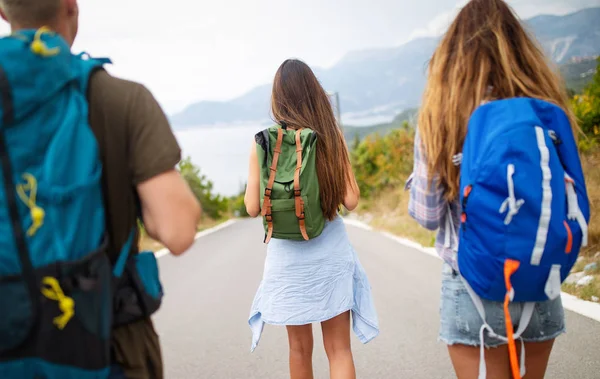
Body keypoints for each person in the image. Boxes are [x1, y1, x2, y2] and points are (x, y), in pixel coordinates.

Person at [0, 1, 201, 378]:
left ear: (4, 13)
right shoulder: (120, 99)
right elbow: (177, 231)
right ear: (71, 7)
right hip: (109, 345)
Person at [408, 1, 587, 378]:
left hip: (472, 280)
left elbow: (426, 216)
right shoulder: (545, 106)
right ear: (519, 48)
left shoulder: (441, 115)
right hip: (541, 275)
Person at [245, 59, 379, 379]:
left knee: (299, 350)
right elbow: (351, 200)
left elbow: (252, 207)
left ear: (278, 98)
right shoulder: (330, 137)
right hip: (330, 254)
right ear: (315, 94)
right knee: (339, 350)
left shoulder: (264, 143)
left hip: (287, 257)